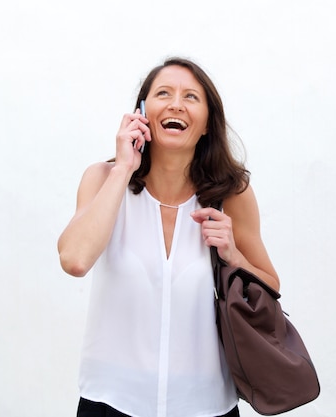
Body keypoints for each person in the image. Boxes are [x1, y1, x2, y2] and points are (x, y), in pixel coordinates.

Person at [58, 57, 280, 417]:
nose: (176, 103)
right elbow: (75, 260)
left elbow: (270, 285)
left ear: (207, 123)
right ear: (142, 112)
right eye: (163, 93)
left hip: (205, 406)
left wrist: (233, 254)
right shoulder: (103, 179)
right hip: (111, 400)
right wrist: (124, 168)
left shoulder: (232, 194)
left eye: (191, 97)